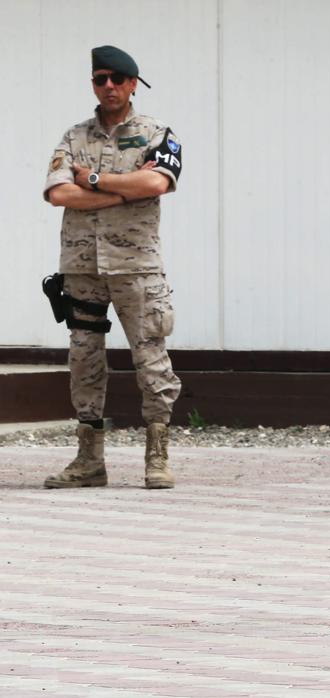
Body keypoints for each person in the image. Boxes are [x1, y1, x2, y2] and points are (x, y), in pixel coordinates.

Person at [42, 45, 183, 490]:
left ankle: (156, 456)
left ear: (133, 84)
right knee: (84, 358)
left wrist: (97, 180)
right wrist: (126, 191)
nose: (109, 87)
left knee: (151, 358)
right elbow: (59, 193)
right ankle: (89, 459)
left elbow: (158, 182)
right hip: (83, 266)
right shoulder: (74, 137)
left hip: (137, 267)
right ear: (93, 83)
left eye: (118, 79)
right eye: (101, 78)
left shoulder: (157, 133)